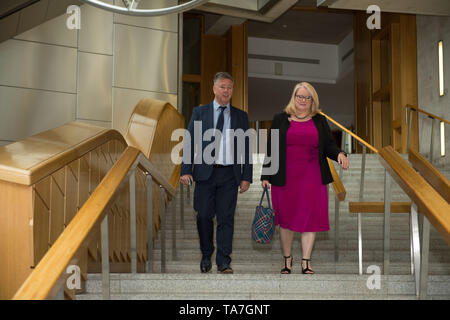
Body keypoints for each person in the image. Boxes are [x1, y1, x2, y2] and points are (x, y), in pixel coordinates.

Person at [260, 82, 349, 275]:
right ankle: (287, 259)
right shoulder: (280, 119)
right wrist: (266, 174)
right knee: (286, 220)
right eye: (299, 96)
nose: (303, 101)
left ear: (312, 101)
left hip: (312, 176)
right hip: (285, 177)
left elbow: (328, 145)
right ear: (293, 98)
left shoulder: (319, 120)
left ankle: (306, 261)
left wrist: (340, 154)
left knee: (310, 218)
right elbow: (271, 148)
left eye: (307, 98)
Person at [180, 72, 252, 274]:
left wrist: (247, 175)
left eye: (229, 87)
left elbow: (246, 148)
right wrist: (186, 170)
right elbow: (190, 142)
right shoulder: (200, 112)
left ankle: (224, 261)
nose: (226, 90)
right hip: (204, 174)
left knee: (226, 218)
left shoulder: (240, 116)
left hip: (229, 174)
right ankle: (206, 253)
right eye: (222, 86)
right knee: (203, 215)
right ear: (214, 88)